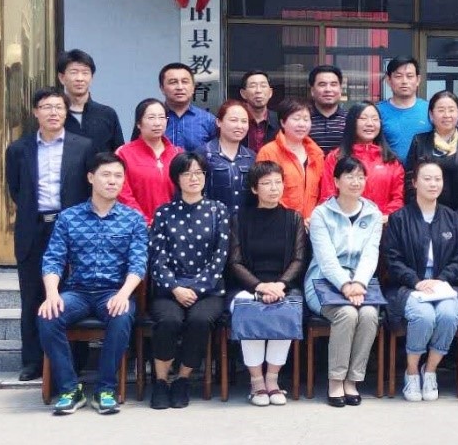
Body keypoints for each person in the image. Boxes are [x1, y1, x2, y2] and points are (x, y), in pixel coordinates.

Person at [37, 152, 147, 416]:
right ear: (90, 178)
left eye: (118, 176)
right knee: (48, 316)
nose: (112, 181)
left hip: (113, 292)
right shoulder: (69, 217)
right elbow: (53, 259)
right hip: (77, 292)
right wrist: (52, 294)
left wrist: (124, 294)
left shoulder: (133, 219)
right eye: (106, 175)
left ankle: (105, 389)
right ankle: (69, 389)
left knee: (121, 316)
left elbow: (138, 263)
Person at [5, 88, 93, 381]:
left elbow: (88, 188)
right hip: (34, 228)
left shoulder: (83, 147)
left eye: (59, 107)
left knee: (71, 293)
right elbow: (16, 190)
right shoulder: (19, 149)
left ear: (67, 112)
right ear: (36, 112)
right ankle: (32, 361)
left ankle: (75, 360)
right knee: (32, 295)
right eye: (46, 107)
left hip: (71, 228)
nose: (53, 112)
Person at [382, 159, 458, 402]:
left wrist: (442, 280)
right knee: (424, 316)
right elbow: (392, 259)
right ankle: (411, 372)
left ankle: (429, 370)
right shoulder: (399, 219)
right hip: (408, 287)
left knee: (449, 314)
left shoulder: (453, 219)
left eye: (437, 179)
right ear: (414, 183)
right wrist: (416, 281)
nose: (433, 184)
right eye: (427, 179)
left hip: (444, 286)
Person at [147, 152, 230, 409]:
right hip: (169, 289)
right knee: (169, 320)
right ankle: (161, 381)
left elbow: (220, 257)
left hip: (208, 290)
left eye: (199, 173)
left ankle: (182, 379)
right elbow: (157, 258)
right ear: (176, 178)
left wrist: (195, 288)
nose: (194, 178)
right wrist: (175, 288)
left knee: (199, 320)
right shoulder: (164, 212)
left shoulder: (218, 211)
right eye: (187, 173)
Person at [227, 161, 310, 406]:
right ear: (254, 189)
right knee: (249, 309)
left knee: (285, 310)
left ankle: (272, 379)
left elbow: (299, 259)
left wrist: (280, 285)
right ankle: (256, 382)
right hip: (248, 287)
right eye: (266, 183)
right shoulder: (240, 218)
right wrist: (260, 287)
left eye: (278, 182)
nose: (274, 188)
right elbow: (234, 261)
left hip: (284, 286)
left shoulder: (293, 219)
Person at [304, 155, 384, 407]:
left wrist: (358, 283)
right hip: (323, 281)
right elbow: (326, 259)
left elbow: (371, 254)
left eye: (360, 177)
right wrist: (345, 285)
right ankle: (335, 380)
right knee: (347, 314)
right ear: (336, 181)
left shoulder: (373, 214)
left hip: (361, 281)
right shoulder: (321, 214)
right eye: (349, 176)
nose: (356, 182)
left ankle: (353, 379)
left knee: (369, 314)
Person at [404, 91, 458, 220]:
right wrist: (421, 214)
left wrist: (455, 219)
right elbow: (409, 181)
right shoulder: (419, 141)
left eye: (451, 110)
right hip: (421, 217)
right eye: (441, 110)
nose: (446, 115)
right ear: (431, 114)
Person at [320, 102, 404, 217]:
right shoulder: (336, 157)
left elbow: (398, 198)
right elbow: (327, 195)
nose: (370, 123)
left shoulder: (390, 160)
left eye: (375, 119)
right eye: (363, 118)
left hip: (383, 222)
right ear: (351, 122)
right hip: (344, 223)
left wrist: (384, 217)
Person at [117, 98, 183, 224]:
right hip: (136, 226)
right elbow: (123, 194)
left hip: (173, 226)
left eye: (162, 117)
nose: (157, 123)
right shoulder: (124, 153)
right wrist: (144, 221)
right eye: (151, 118)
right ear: (138, 123)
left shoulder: (178, 153)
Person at [256, 98, 325, 219]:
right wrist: (293, 221)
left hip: (311, 222)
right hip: (279, 221)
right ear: (283, 122)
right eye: (296, 119)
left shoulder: (316, 154)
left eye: (306, 119)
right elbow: (264, 192)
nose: (302, 124)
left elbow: (322, 192)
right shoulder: (269, 152)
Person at [57, 49, 124, 154]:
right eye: (74, 72)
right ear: (61, 78)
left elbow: (119, 153)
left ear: (91, 78)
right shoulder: (54, 115)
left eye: (85, 73)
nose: (80, 78)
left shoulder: (107, 114)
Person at [198, 99, 255, 216]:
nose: (239, 126)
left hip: (245, 223)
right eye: (233, 120)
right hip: (213, 221)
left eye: (244, 121)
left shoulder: (252, 157)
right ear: (219, 122)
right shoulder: (203, 154)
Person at [377, 56, 432, 158]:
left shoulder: (430, 109)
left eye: (409, 76)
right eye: (398, 76)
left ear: (418, 80)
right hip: (388, 167)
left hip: (423, 168)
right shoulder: (377, 112)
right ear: (388, 80)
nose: (404, 81)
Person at [159, 62, 217, 152]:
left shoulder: (208, 120)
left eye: (185, 82)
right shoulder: (152, 118)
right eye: (173, 82)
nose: (180, 87)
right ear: (162, 88)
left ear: (193, 87)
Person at [308, 65, 348, 154]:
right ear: (312, 91)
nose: (328, 89)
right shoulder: (303, 120)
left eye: (333, 84)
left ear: (340, 90)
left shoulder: (350, 119)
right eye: (322, 84)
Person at [239, 70, 279, 152]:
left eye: (263, 86)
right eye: (253, 86)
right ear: (243, 93)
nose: (258, 91)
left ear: (270, 92)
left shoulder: (280, 121)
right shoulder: (236, 122)